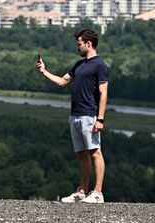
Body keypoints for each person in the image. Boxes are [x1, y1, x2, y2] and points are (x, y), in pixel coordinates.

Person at [36, 29, 108, 204]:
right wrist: (44, 72)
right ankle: (82, 192)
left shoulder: (100, 65)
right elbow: (62, 82)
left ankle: (98, 193)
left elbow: (103, 93)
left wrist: (100, 119)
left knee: (95, 152)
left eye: (79, 44)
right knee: (82, 154)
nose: (78, 47)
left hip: (89, 116)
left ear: (88, 44)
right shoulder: (79, 65)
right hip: (75, 116)